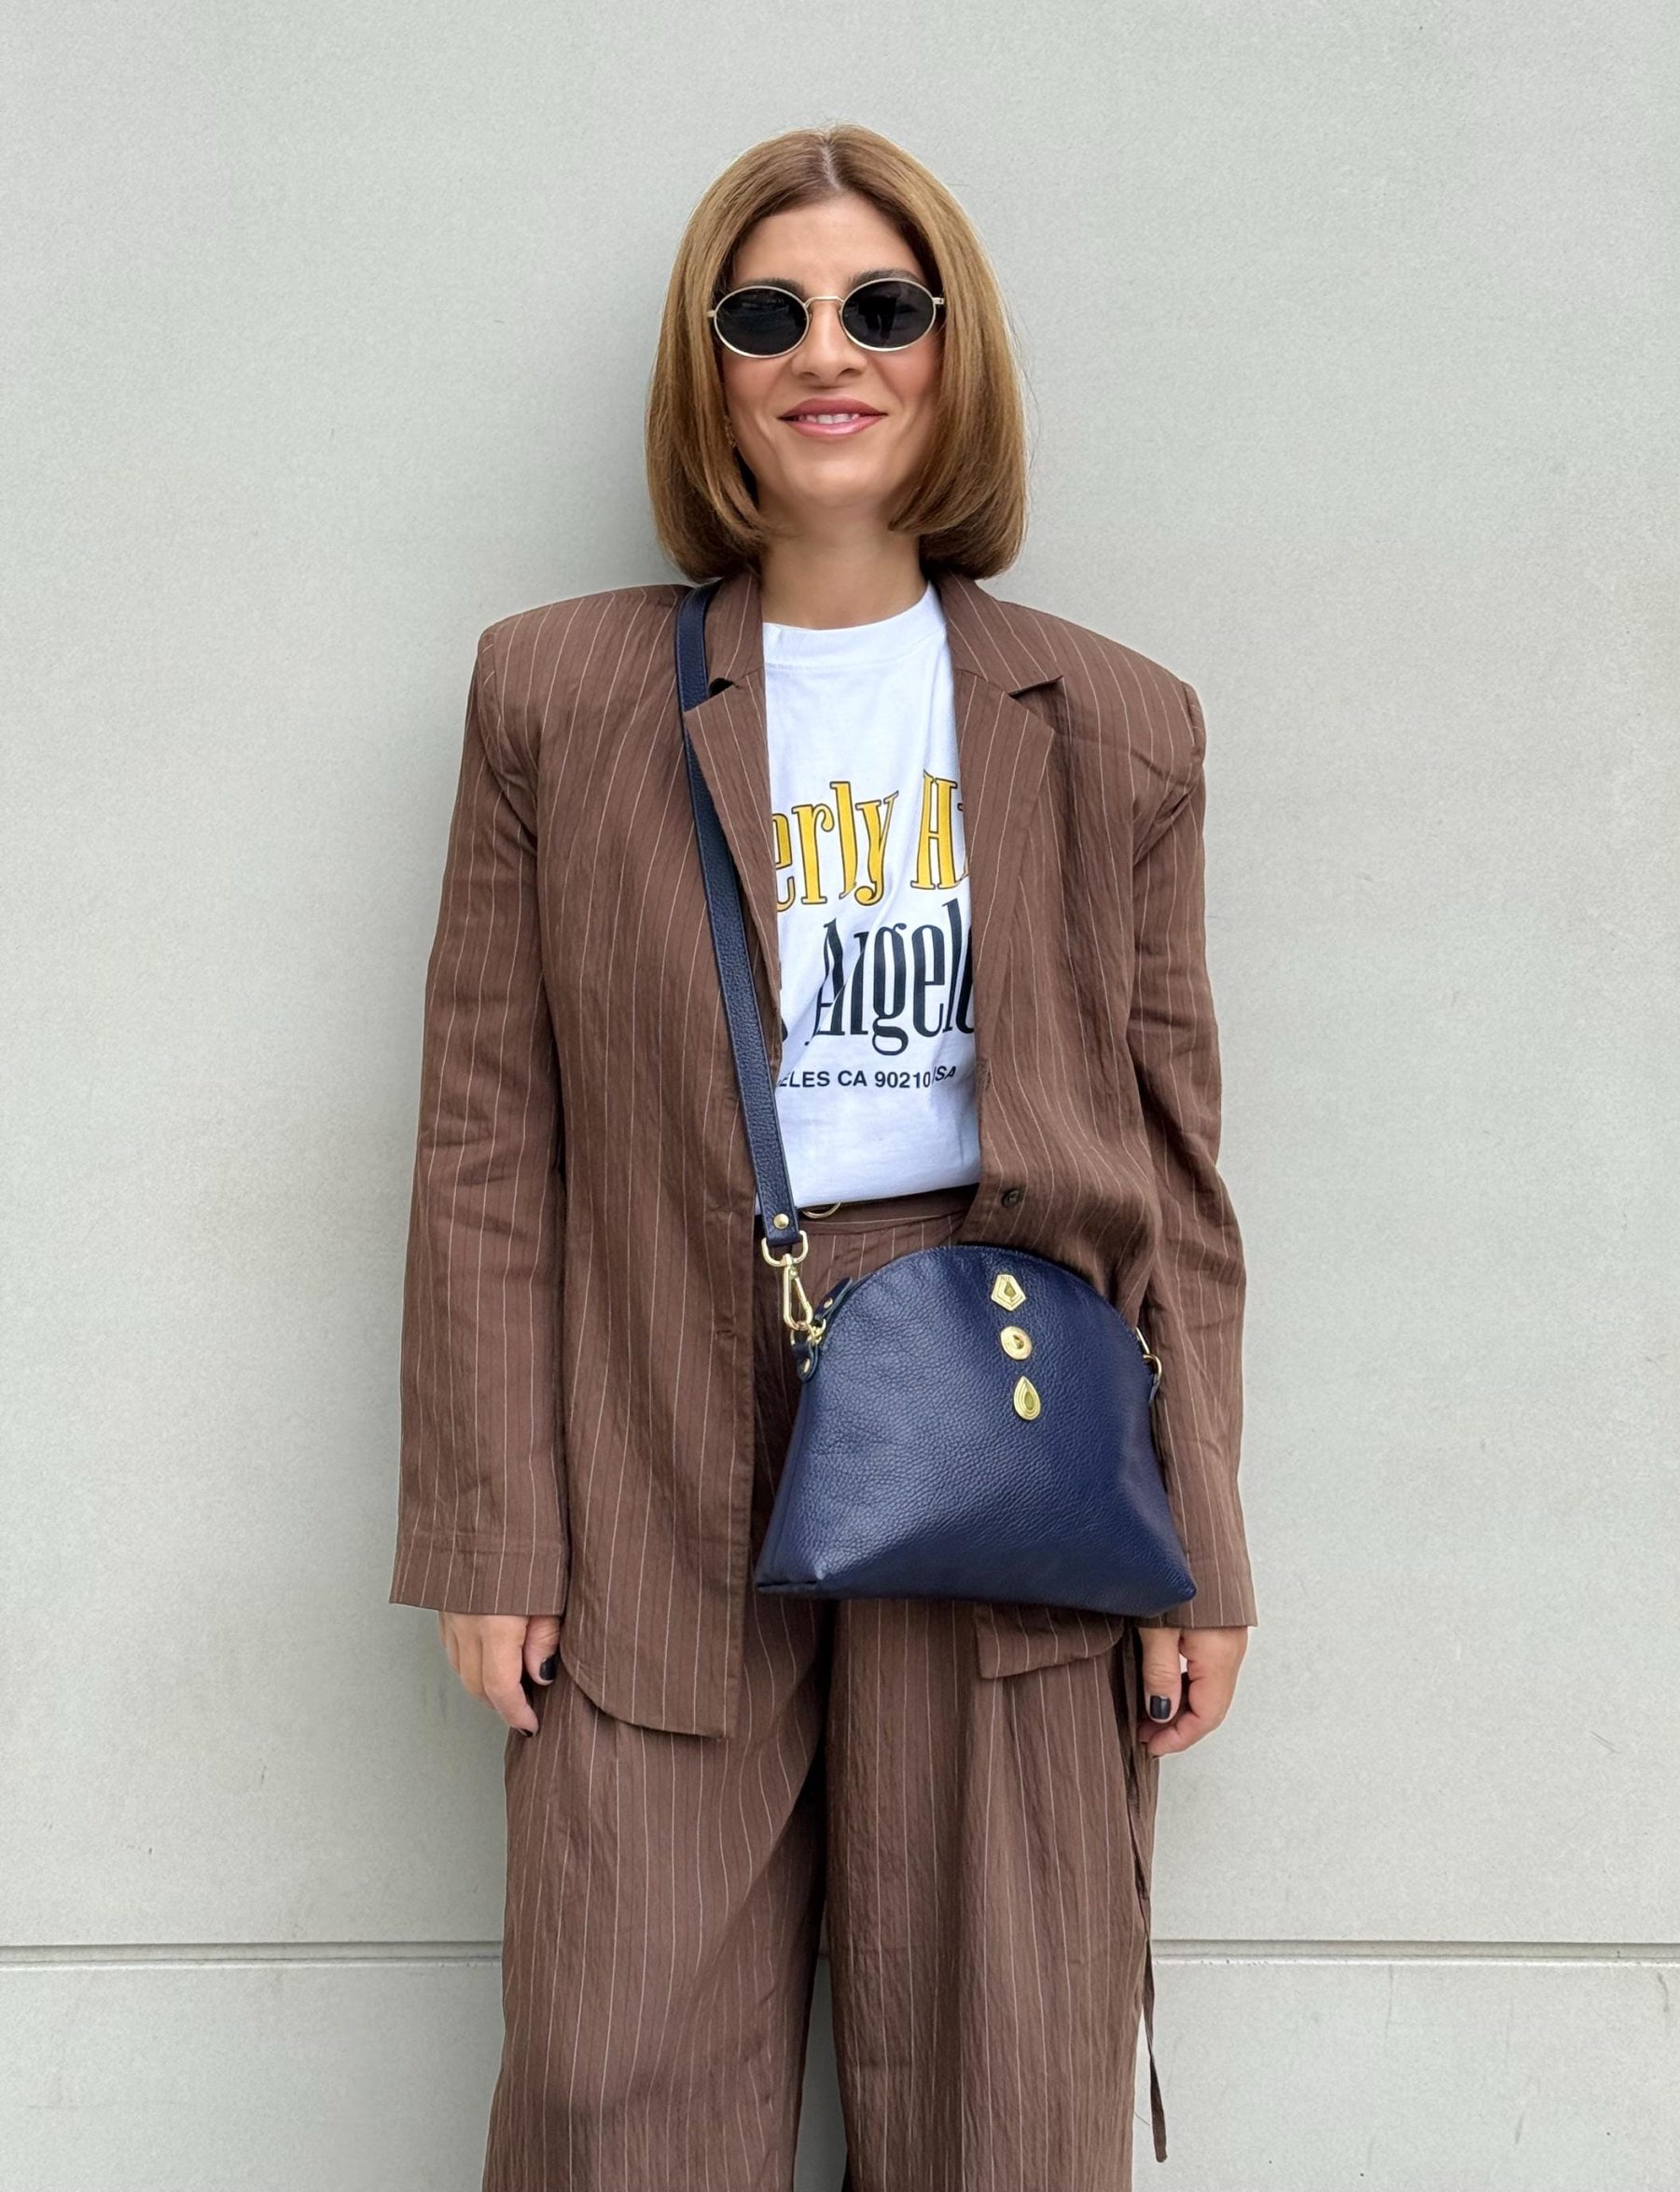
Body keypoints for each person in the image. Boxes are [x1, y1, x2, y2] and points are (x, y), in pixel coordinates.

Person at [389, 119, 1257, 2192]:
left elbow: (1176, 1165)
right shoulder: (561, 693)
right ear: (711, 372)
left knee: (1002, 2090)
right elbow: (489, 1131)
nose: (825, 352)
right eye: (766, 314)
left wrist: (1203, 1546)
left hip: (1006, 1424)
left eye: (882, 305)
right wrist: (494, 1521)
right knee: (613, 2085)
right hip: (661, 1412)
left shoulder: (1113, 720)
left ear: (955, 353)